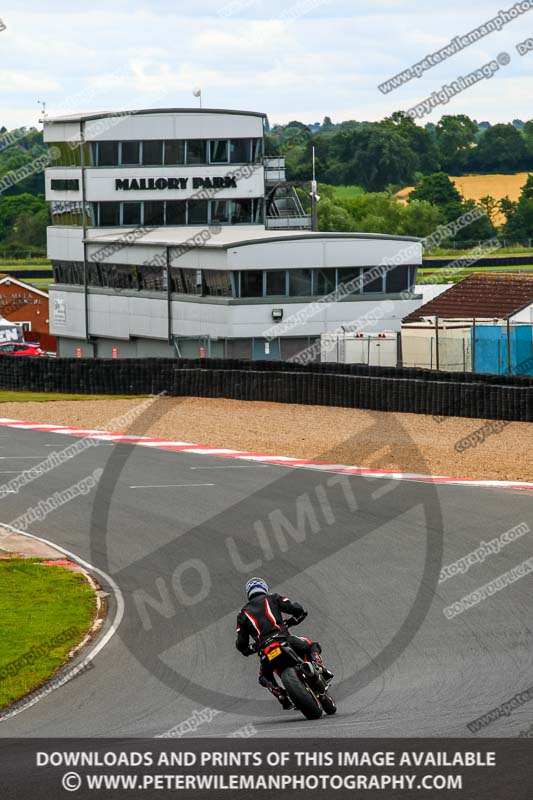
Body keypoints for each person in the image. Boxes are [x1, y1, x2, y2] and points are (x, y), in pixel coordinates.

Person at [235, 577, 333, 709]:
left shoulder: (242, 614)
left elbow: (241, 644)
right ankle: (318, 665)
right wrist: (292, 620)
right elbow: (296, 609)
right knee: (311, 645)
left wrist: (249, 649)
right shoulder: (273, 598)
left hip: (265, 650)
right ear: (264, 589)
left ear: (248, 593)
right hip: (284, 639)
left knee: (263, 676)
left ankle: (279, 692)